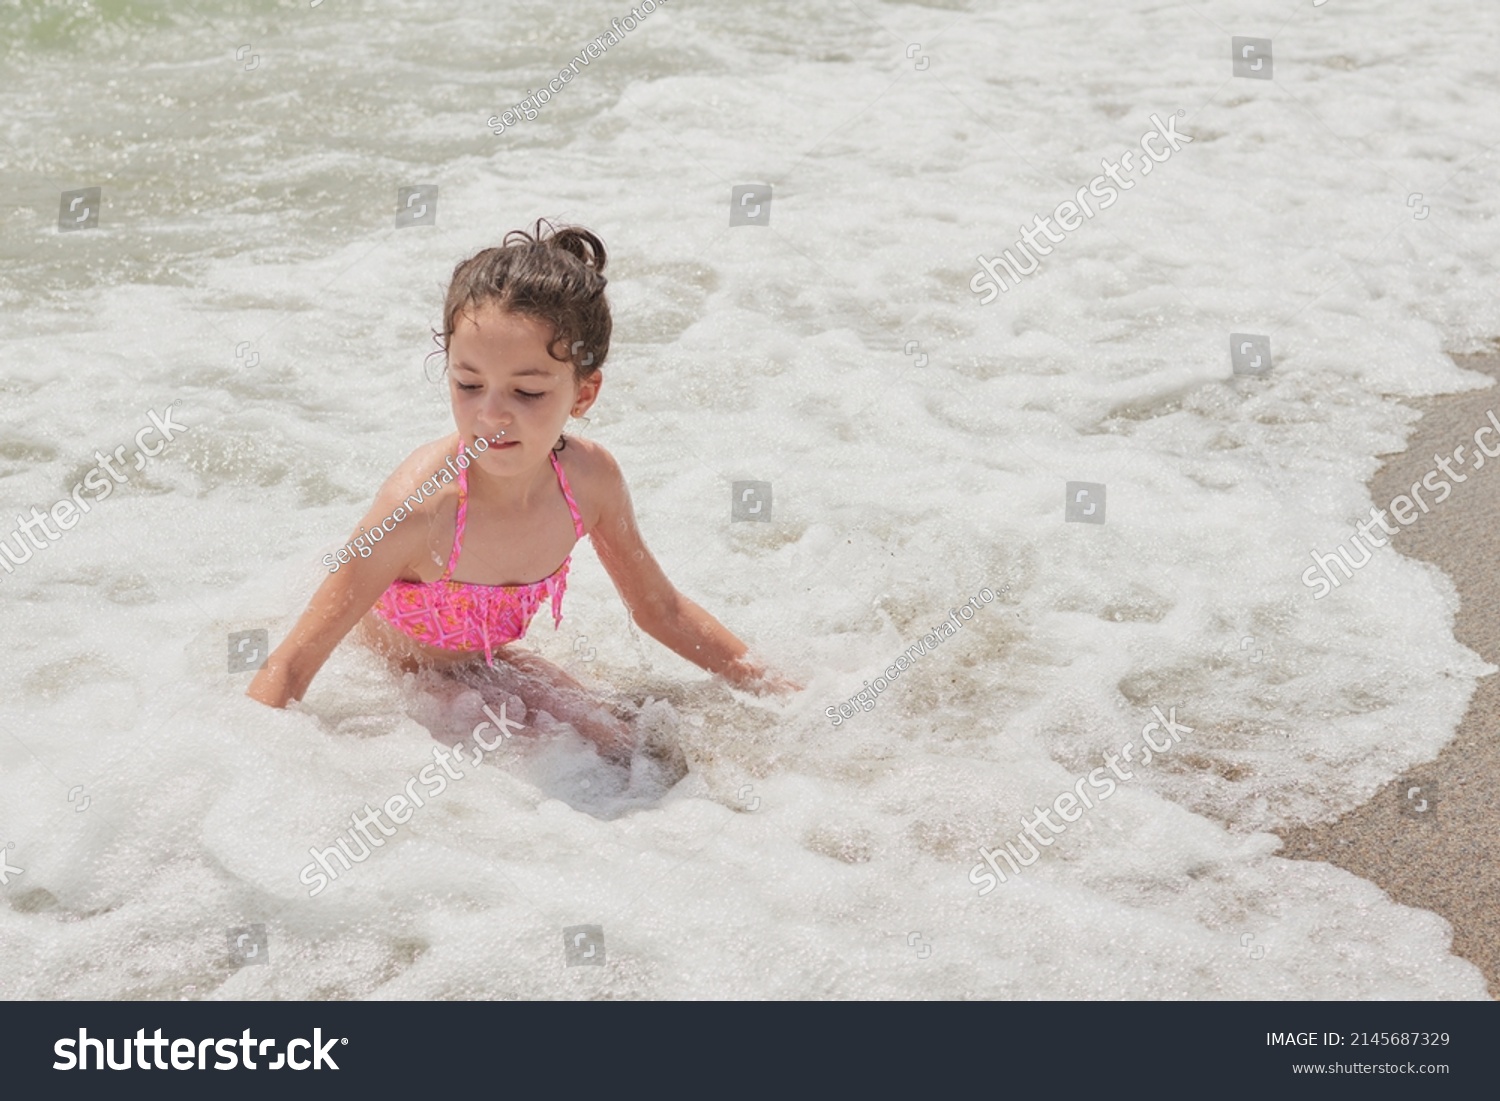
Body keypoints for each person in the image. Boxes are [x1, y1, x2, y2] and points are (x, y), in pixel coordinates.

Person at [247, 220, 798, 755]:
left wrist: (773, 686)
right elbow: (291, 665)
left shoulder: (588, 482)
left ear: (583, 395)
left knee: (630, 746)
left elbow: (661, 610)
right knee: (600, 755)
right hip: (389, 691)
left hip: (487, 667)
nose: (491, 415)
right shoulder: (421, 509)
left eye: (528, 392)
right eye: (468, 384)